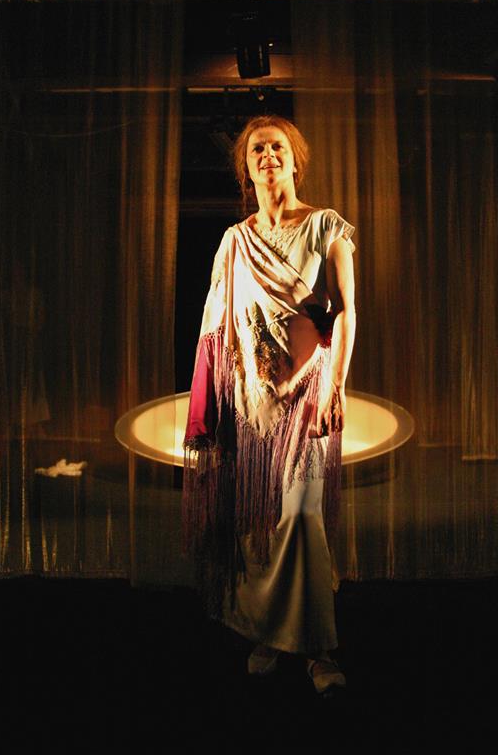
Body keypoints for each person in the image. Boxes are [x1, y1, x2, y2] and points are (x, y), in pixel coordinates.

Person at [181, 115, 356, 695]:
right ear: (245, 167)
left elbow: (346, 312)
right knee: (256, 524)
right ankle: (270, 633)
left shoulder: (326, 226)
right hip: (251, 400)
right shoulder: (235, 241)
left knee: (302, 518)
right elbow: (219, 324)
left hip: (309, 396)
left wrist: (335, 386)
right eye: (257, 149)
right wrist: (216, 399)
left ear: (295, 159)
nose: (268, 155)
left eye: (277, 146)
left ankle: (319, 650)